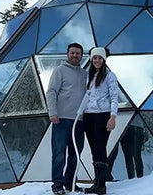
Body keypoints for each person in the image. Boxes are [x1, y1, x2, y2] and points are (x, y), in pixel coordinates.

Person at [46, 43, 87, 195]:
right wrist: (53, 112)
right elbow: (51, 92)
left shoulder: (84, 74)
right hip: (61, 119)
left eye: (78, 53)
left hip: (79, 121)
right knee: (59, 153)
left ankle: (70, 182)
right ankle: (57, 185)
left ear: (82, 56)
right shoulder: (59, 71)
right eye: (72, 53)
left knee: (75, 154)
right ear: (67, 54)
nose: (75, 56)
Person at [79, 47, 118, 195]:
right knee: (94, 149)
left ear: (104, 59)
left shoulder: (110, 76)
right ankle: (97, 181)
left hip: (103, 115)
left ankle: (101, 185)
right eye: (94, 58)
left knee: (100, 147)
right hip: (89, 115)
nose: (97, 61)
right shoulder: (89, 75)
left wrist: (112, 117)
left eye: (99, 58)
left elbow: (114, 97)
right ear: (91, 59)